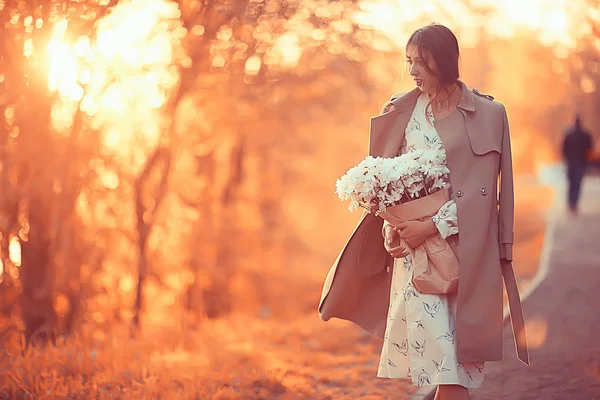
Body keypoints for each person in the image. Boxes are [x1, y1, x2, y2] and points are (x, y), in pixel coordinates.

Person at [318, 23, 529, 400]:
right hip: (413, 259)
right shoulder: (400, 110)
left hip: (461, 253)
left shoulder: (487, 113)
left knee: (449, 366)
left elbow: (486, 194)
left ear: (445, 62)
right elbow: (387, 177)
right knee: (442, 366)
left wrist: (431, 225)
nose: (412, 70)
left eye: (421, 62)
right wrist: (392, 226)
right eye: (408, 61)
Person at [562, 115, 593, 214]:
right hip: (580, 163)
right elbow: (589, 148)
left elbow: (563, 148)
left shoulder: (568, 134)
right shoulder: (585, 135)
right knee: (577, 184)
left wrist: (566, 158)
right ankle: (574, 204)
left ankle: (570, 203)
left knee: (571, 184)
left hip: (571, 163)